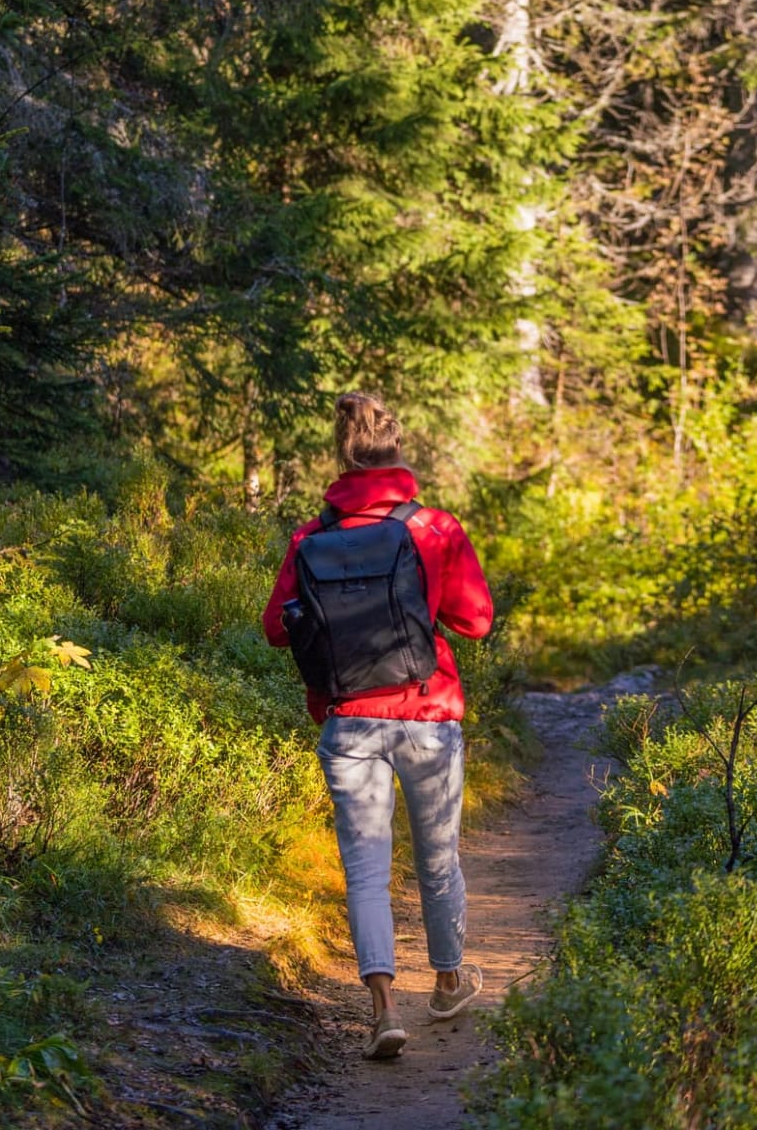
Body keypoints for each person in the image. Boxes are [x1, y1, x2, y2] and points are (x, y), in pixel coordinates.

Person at [262, 393, 494, 1060]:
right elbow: (476, 621)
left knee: (365, 871)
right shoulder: (435, 527)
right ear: (398, 452)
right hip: (427, 713)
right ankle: (448, 983)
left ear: (343, 456)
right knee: (437, 858)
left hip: (348, 720)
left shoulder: (311, 537)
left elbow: (278, 629)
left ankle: (384, 1009)